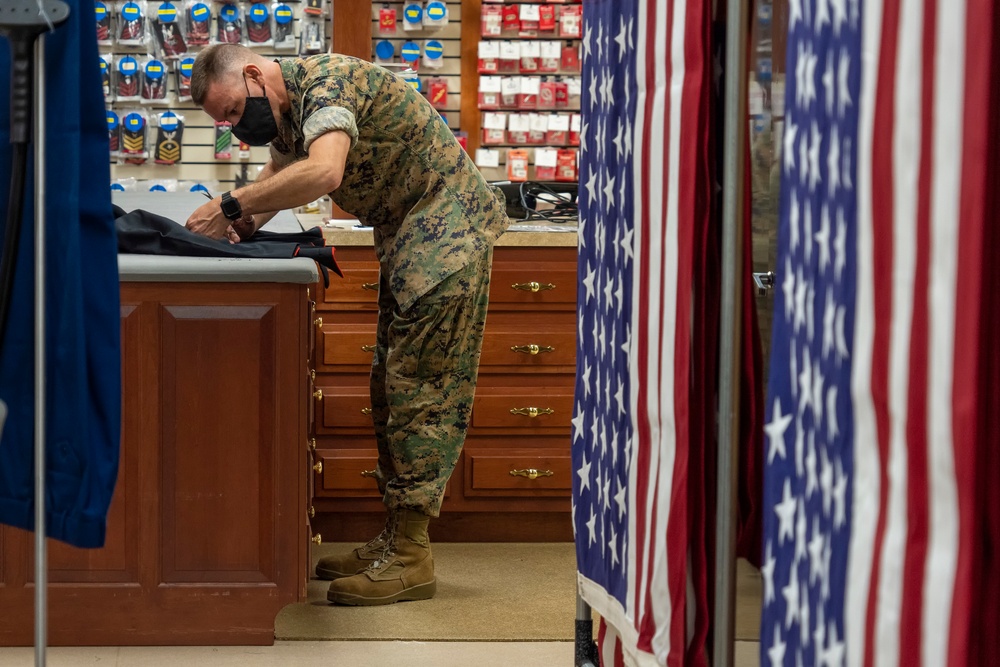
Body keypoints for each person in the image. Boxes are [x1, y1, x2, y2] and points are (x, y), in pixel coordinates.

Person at [185, 44, 510, 606]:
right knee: (388, 387)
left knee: (421, 392)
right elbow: (285, 170)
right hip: (412, 237)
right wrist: (238, 223)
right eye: (226, 122)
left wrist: (233, 204)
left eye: (236, 111)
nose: (237, 128)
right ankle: (394, 539)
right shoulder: (290, 113)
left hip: (446, 234)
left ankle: (412, 554)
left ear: (256, 74)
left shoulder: (328, 82)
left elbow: (324, 170)